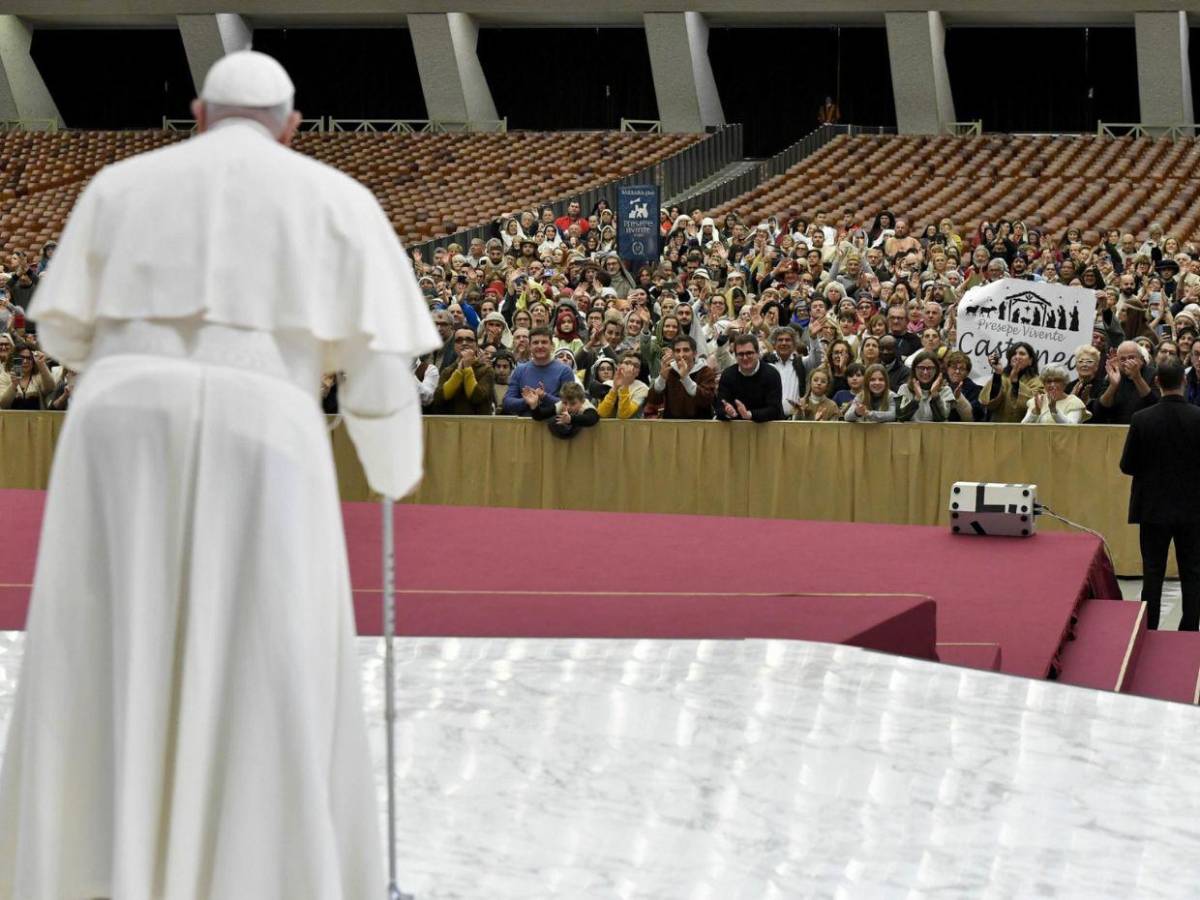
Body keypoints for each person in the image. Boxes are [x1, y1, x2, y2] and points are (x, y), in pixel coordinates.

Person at [0, 51, 441, 898]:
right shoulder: (339, 200)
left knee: (106, 639)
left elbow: (59, 339)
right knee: (267, 648)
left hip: (115, 423)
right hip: (263, 422)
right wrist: (393, 473)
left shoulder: (120, 186)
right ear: (294, 126)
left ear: (198, 115)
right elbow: (381, 378)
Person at [1120, 357, 1200, 630]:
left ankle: (1150, 627)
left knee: (1153, 571)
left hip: (1152, 508)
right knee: (1193, 571)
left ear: (1156, 382)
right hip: (1193, 508)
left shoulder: (1142, 419)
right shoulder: (1198, 417)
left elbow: (1127, 465)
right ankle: (1190, 626)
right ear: (1184, 381)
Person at [502, 326, 575, 416]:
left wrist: (544, 396)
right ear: (529, 346)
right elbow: (507, 402)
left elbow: (571, 404)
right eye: (535, 343)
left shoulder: (565, 371)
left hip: (554, 426)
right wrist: (529, 401)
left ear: (552, 346)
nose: (540, 346)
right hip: (524, 426)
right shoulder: (520, 370)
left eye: (544, 342)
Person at [715, 333, 784, 422]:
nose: (745, 357)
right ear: (735, 356)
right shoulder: (728, 375)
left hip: (767, 429)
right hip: (738, 430)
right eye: (740, 354)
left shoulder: (771, 374)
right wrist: (727, 412)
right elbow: (720, 407)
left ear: (758, 353)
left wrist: (750, 414)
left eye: (749, 353)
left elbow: (774, 409)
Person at [646, 334, 716, 419]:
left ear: (694, 353)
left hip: (700, 425)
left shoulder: (705, 371)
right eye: (677, 351)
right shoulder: (669, 370)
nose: (681, 354)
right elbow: (653, 400)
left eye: (686, 350)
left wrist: (685, 378)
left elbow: (707, 400)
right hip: (672, 425)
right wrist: (662, 379)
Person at [432, 327, 495, 414]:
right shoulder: (447, 371)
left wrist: (467, 367)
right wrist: (458, 372)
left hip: (479, 425)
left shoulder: (486, 370)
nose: (464, 343)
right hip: (451, 425)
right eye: (459, 340)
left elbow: (476, 397)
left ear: (476, 345)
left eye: (469, 340)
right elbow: (439, 398)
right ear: (454, 346)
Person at [979, 342, 1042, 423]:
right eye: (1014, 354)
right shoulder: (1002, 377)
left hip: (1023, 432)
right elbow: (988, 403)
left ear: (1030, 361)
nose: (1017, 357)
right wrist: (998, 374)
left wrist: (1015, 383)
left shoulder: (1037, 381)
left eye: (1022, 354)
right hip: (997, 431)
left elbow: (1035, 406)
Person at [1022, 365, 1090, 424]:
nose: (1053, 385)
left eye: (1057, 381)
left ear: (1064, 383)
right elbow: (1022, 428)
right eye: (1049, 381)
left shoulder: (1074, 402)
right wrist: (1035, 412)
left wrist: (1054, 410)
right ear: (1044, 384)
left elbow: (1071, 427)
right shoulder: (1037, 400)